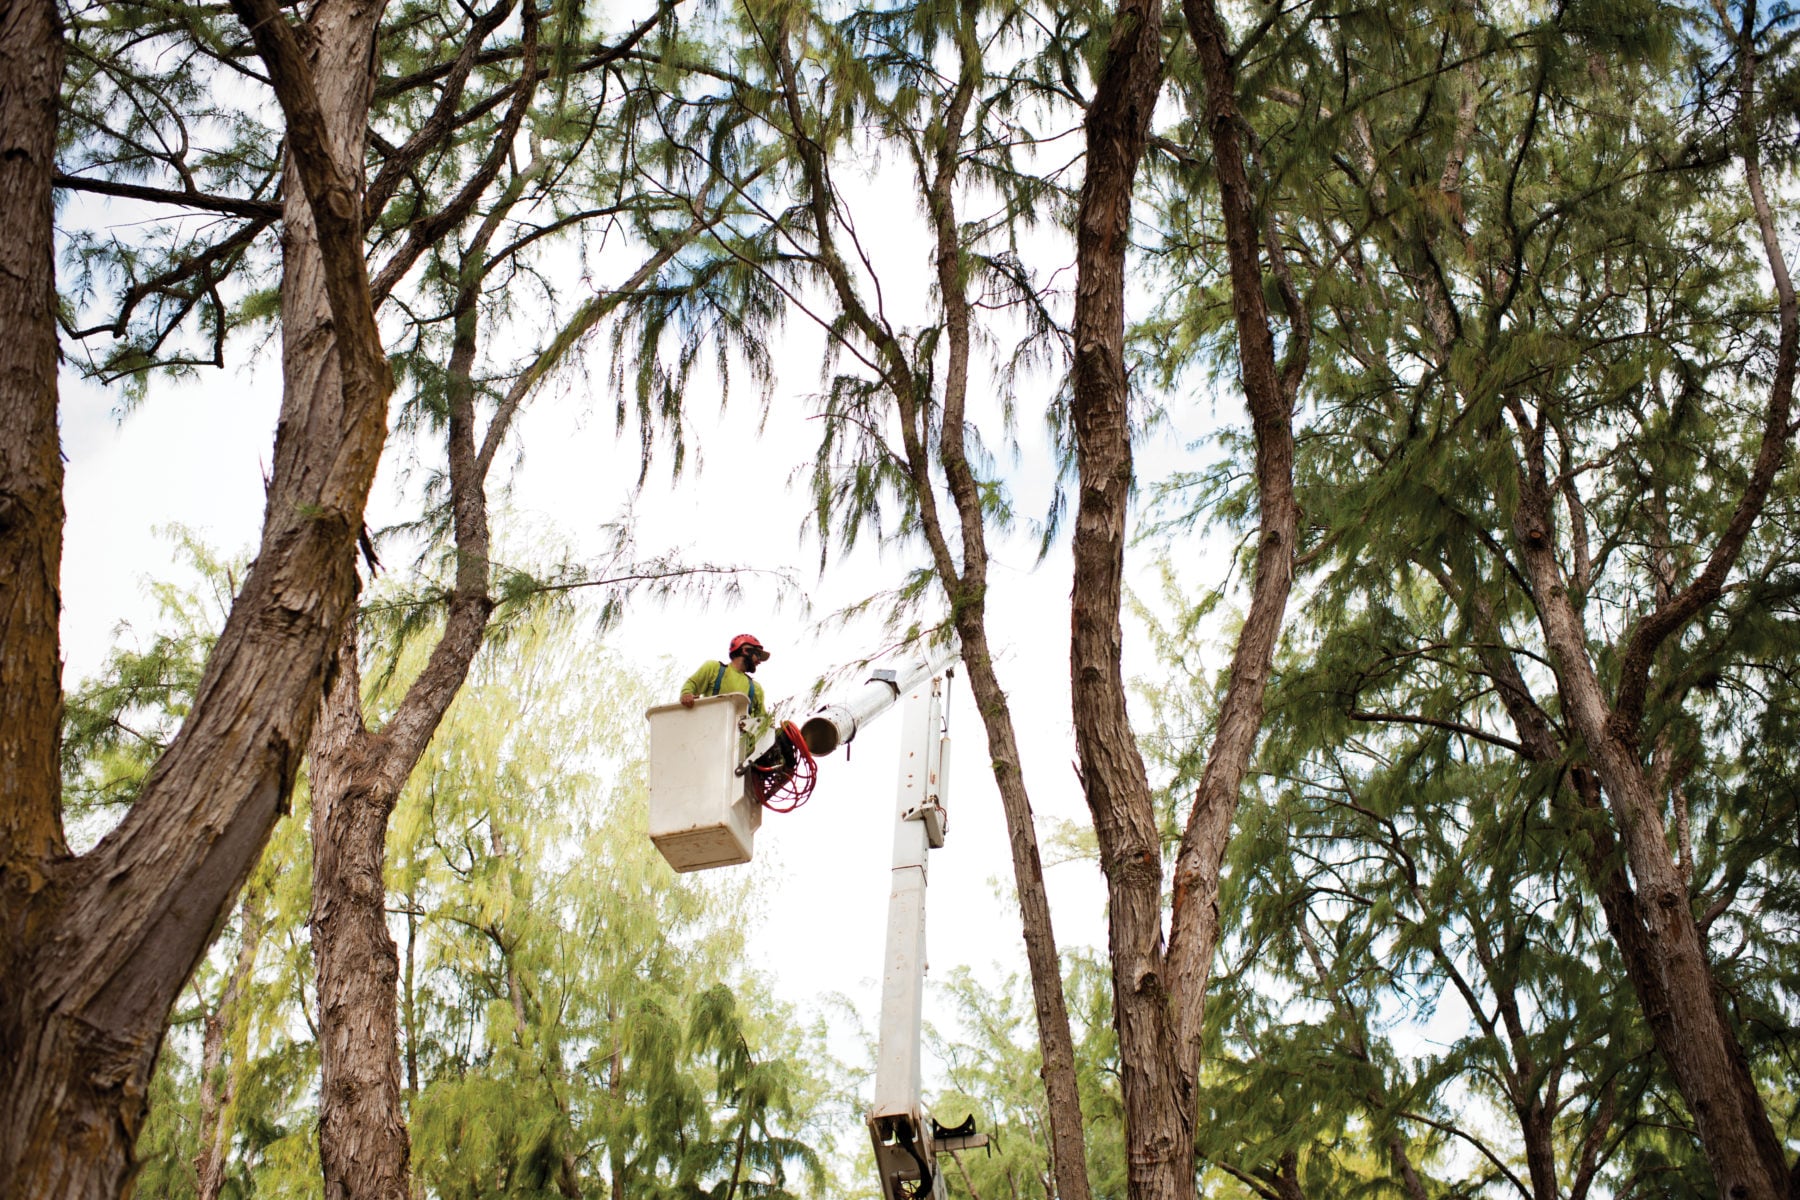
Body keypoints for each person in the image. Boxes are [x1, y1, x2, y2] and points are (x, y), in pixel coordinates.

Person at [679, 634, 771, 717]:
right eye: (758, 655)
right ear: (746, 650)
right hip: (709, 727)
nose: (759, 661)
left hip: (738, 731)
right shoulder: (714, 668)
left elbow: (762, 722)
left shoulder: (756, 688)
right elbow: (692, 684)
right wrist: (686, 694)